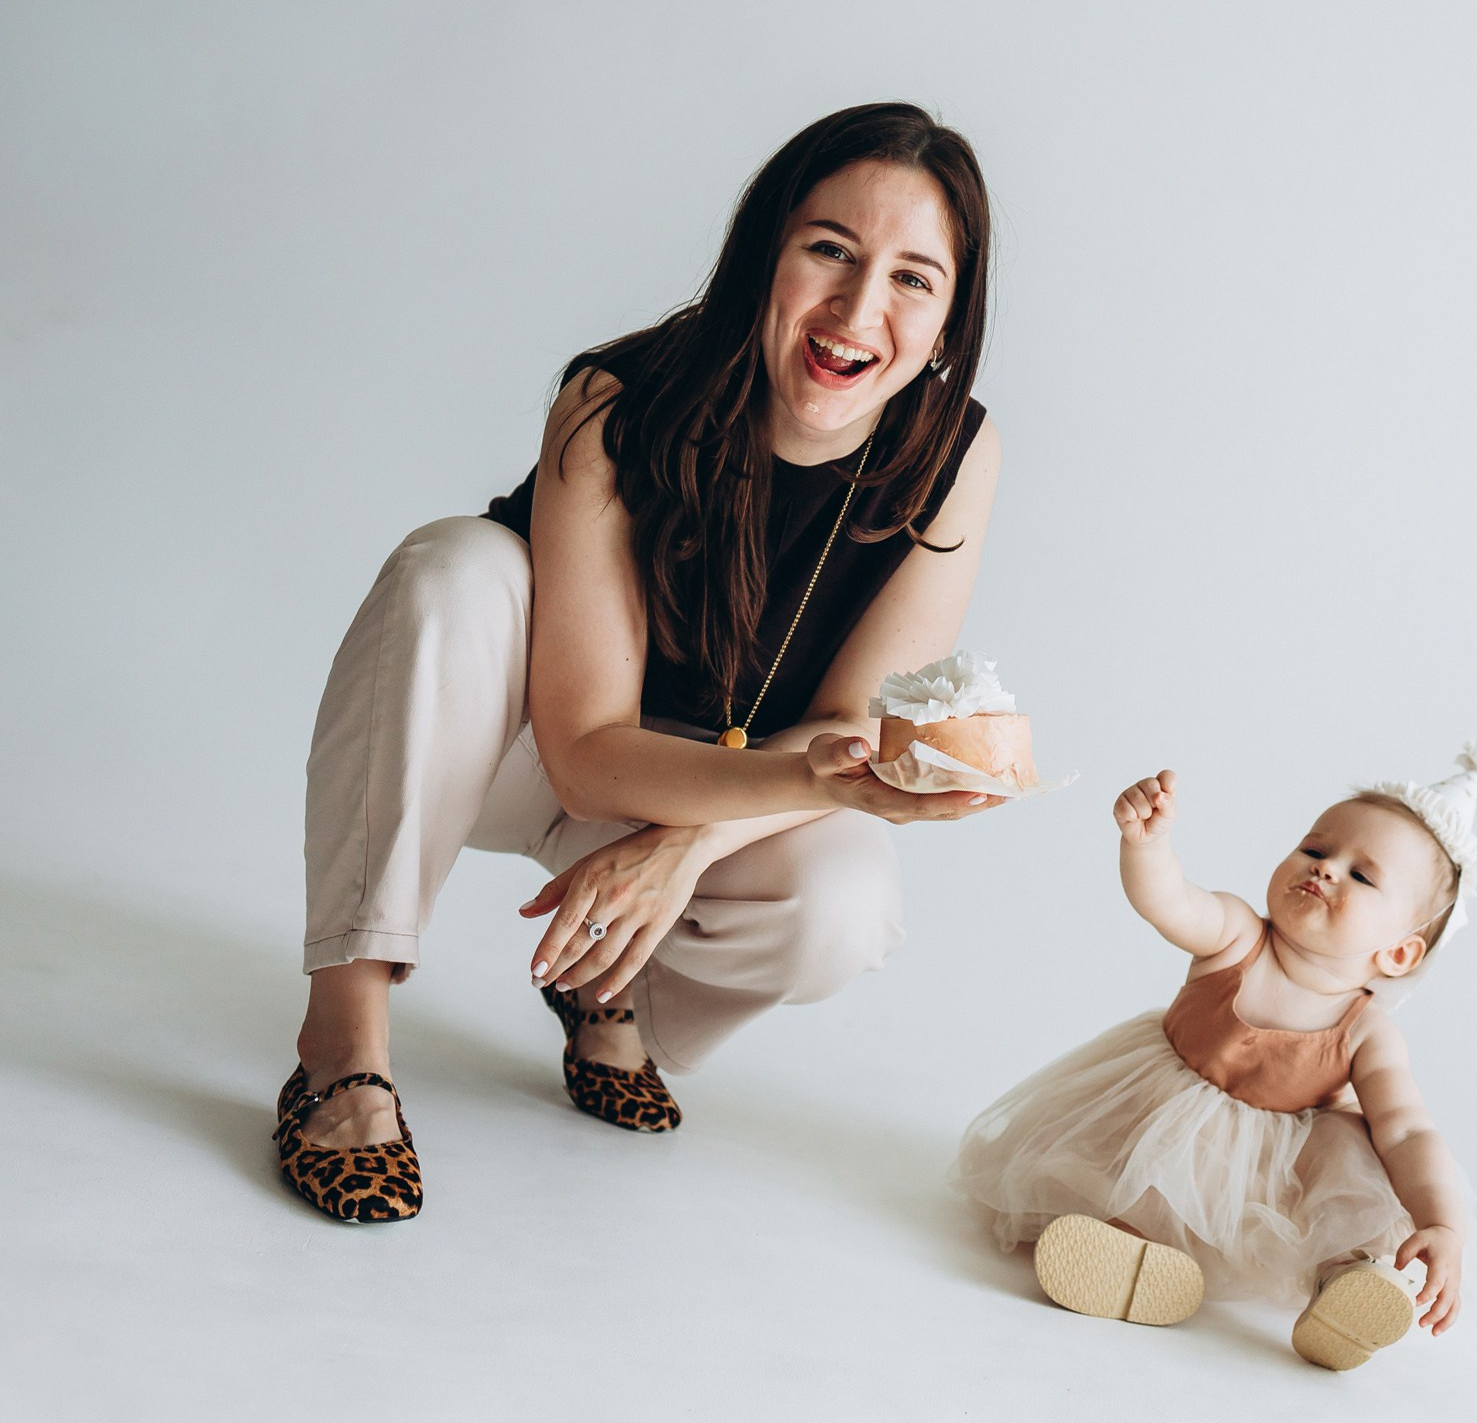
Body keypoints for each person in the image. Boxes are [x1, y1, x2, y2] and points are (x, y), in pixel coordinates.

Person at [275, 102, 1005, 1224]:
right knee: (458, 565)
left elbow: (858, 722)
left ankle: (608, 988)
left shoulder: (953, 449)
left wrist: (688, 845)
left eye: (914, 278)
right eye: (830, 250)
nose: (860, 310)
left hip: (718, 785)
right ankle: (343, 1040)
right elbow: (583, 756)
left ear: (952, 315)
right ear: (764, 253)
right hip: (506, 748)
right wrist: (781, 783)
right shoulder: (617, 399)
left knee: (846, 897)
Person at [952, 744, 1477, 1370]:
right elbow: (1171, 902)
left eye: (1361, 876)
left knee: (1348, 1147)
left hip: (1278, 1179)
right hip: (1171, 1122)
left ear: (1399, 954)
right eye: (1315, 849)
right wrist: (1148, 846)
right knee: (1163, 1151)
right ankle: (1127, 1247)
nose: (1326, 869)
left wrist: (1442, 1224)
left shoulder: (1368, 1034)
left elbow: (1406, 1131)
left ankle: (1343, 1281)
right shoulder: (1237, 935)